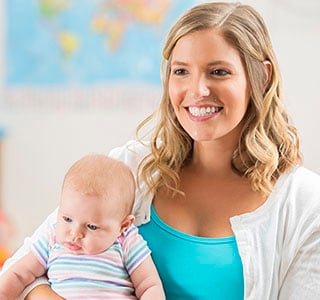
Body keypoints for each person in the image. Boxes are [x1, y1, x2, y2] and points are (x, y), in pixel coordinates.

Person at [1, 1, 320, 299]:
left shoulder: (304, 205)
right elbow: (26, 272)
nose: (197, 90)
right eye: (181, 71)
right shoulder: (126, 170)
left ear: (261, 77)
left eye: (218, 71)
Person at [0, 154, 165, 299]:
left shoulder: (126, 241)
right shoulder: (52, 239)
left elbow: (149, 285)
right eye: (67, 218)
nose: (75, 233)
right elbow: (18, 274)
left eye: (92, 227)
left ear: (123, 225)